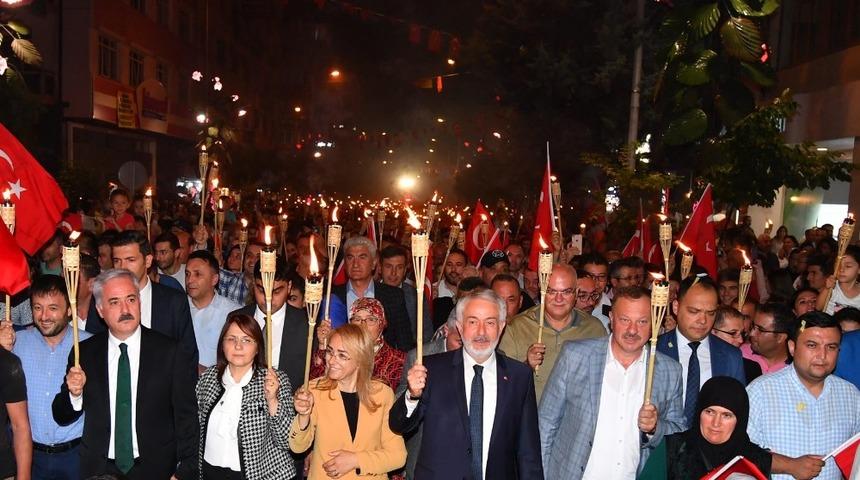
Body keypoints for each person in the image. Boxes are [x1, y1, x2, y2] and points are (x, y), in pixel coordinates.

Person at [52, 269, 198, 479]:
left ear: (139, 302)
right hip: (100, 470)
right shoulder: (85, 353)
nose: (125, 309)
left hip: (156, 470)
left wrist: (184, 472)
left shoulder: (170, 352)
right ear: (100, 310)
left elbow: (187, 418)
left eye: (131, 299)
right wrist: (74, 394)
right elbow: (61, 414)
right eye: (114, 302)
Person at [389, 290, 543, 479]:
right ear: (460, 327)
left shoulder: (519, 376)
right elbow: (398, 424)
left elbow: (529, 452)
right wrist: (412, 395)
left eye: (490, 322)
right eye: (472, 322)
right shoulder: (432, 370)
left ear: (501, 326)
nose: (481, 332)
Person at [539, 286, 685, 479]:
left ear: (653, 324)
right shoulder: (575, 356)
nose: (632, 330)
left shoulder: (670, 371)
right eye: (625, 320)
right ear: (612, 319)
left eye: (642, 322)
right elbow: (546, 424)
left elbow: (678, 434)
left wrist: (655, 428)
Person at [747, 311, 860, 480]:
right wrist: (789, 465)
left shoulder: (850, 395)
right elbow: (742, 451)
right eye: (812, 345)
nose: (822, 356)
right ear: (792, 347)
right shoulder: (761, 391)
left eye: (831, 347)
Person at [290, 324, 406, 479]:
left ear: (360, 359)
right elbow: (297, 447)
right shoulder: (314, 390)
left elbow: (398, 456)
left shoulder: (382, 394)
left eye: (342, 355)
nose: (331, 360)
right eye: (330, 352)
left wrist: (356, 460)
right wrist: (303, 415)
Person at [196, 314, 297, 479]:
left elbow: (287, 441)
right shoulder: (209, 378)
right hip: (210, 472)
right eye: (231, 339)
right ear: (222, 345)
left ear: (258, 348)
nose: (238, 346)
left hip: (261, 475)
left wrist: (272, 400)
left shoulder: (275, 380)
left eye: (247, 340)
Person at [14, 275, 90, 479]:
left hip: (76, 455)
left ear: (69, 310)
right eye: (37, 308)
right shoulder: (17, 343)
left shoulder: (89, 345)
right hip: (30, 456)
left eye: (53, 308)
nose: (44, 316)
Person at [86, 230, 199, 364]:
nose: (122, 268)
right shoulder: (103, 300)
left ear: (148, 261)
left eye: (130, 260)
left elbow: (188, 354)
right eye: (117, 261)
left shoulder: (173, 301)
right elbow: (92, 349)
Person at [499, 264, 606, 400]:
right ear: (542, 291)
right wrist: (527, 365)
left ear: (576, 292)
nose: (559, 299)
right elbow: (502, 383)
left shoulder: (594, 329)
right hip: (532, 412)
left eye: (566, 292)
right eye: (551, 291)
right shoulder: (517, 327)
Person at [640, 377, 772, 479]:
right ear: (699, 412)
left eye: (726, 415)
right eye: (710, 412)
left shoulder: (755, 460)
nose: (716, 423)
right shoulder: (673, 449)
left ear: (739, 421)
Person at [657, 275, 745, 425]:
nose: (703, 321)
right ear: (676, 307)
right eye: (694, 311)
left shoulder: (730, 356)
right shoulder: (656, 350)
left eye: (710, 313)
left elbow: (737, 410)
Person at [229, 256, 313, 394]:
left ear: (289, 287)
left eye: (276, 291)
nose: (268, 299)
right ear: (253, 285)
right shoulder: (236, 319)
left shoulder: (306, 324)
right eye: (262, 290)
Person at [395, 314, 463, 480]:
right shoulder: (420, 357)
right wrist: (412, 394)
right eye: (459, 342)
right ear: (446, 330)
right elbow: (398, 409)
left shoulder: (487, 359)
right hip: (426, 452)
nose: (464, 350)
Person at [331, 236, 414, 351]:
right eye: (350, 258)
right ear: (345, 263)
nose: (355, 264)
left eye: (362, 257)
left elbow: (405, 343)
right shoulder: (332, 296)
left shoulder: (393, 296)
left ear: (374, 263)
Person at [311, 298, 406, 389]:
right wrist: (323, 345)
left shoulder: (398, 361)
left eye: (371, 319)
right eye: (357, 319)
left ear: (382, 323)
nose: (363, 325)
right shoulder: (338, 354)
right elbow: (316, 385)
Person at [186, 250, 241, 370]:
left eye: (197, 274)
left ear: (214, 279)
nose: (190, 280)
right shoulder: (176, 308)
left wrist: (208, 374)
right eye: (187, 274)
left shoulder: (232, 313)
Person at [379, 245, 433, 345]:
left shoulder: (416, 296)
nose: (393, 273)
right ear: (380, 268)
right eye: (388, 266)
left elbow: (426, 335)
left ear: (405, 270)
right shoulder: (371, 293)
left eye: (399, 267)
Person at [711, 306, 762, 384]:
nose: (740, 340)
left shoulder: (751, 369)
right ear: (713, 332)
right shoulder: (696, 358)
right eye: (733, 333)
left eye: (742, 333)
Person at [742, 302, 793, 375]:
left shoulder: (796, 369)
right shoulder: (739, 355)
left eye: (760, 330)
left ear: (780, 338)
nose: (751, 333)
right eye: (753, 326)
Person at [819, 245, 860, 314]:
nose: (841, 269)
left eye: (848, 266)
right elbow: (818, 307)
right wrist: (827, 289)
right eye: (838, 265)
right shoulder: (832, 287)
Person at [580, 253, 611, 329]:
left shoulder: (613, 308)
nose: (596, 282)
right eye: (591, 276)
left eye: (601, 277)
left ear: (607, 279)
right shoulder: (570, 306)